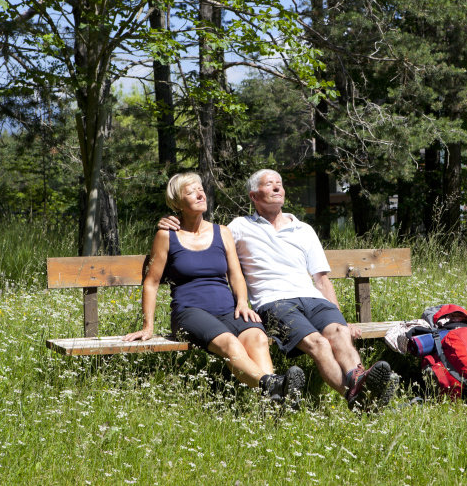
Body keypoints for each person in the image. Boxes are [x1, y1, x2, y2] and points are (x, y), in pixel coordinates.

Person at [158, 169, 396, 411]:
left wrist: (343, 320)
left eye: (279, 184)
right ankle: (361, 397)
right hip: (275, 302)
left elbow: (322, 280)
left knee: (338, 332)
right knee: (319, 343)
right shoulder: (239, 226)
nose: (276, 188)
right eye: (269, 184)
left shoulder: (303, 229)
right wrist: (167, 221)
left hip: (313, 298)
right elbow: (204, 237)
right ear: (253, 196)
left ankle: (359, 382)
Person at [124, 172, 304, 402]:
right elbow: (151, 282)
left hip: (228, 309)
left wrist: (242, 303)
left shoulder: (222, 232)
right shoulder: (167, 235)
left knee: (257, 337)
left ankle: (274, 400)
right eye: (190, 192)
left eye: (200, 189)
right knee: (230, 342)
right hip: (190, 312)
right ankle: (273, 385)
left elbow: (236, 274)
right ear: (177, 203)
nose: (200, 194)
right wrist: (147, 326)